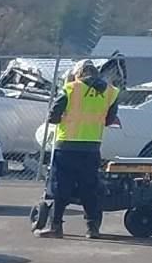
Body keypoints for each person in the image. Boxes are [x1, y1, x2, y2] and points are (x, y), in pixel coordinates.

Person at [41, 56, 123, 237]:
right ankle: (92, 228)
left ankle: (56, 226)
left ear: (78, 74)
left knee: (60, 188)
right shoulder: (110, 92)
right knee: (90, 188)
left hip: (66, 146)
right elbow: (109, 119)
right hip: (92, 147)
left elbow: (53, 116)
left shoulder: (71, 89)